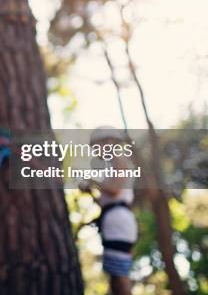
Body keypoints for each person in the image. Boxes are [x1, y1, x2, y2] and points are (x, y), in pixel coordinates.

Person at [81, 126, 138, 295]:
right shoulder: (111, 166)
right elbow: (108, 201)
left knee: (120, 277)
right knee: (115, 277)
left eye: (96, 145)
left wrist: (92, 182)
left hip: (119, 224)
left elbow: (114, 190)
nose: (95, 150)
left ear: (110, 142)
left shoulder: (120, 162)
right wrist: (91, 193)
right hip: (114, 222)